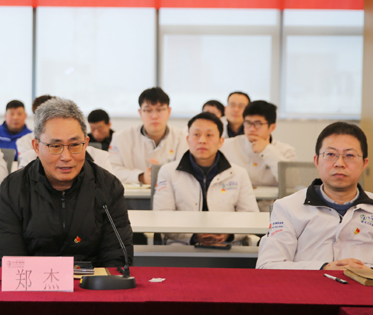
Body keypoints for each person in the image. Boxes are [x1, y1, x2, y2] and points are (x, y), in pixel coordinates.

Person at [257, 122, 373, 271]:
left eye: (350, 155)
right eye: (330, 154)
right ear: (316, 161)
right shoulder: (287, 207)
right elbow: (268, 265)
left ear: (364, 163)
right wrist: (323, 268)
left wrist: (370, 272)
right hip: (310, 290)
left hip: (370, 290)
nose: (339, 163)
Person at [0, 98, 133, 267]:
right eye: (55, 146)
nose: (66, 156)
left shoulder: (107, 186)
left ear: (86, 144)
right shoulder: (13, 189)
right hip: (32, 281)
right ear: (36, 147)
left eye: (75, 145)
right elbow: (9, 261)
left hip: (92, 281)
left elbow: (117, 259)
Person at [154, 112, 258, 245]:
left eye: (209, 135)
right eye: (196, 134)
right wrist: (192, 236)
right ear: (188, 140)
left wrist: (229, 234)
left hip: (227, 245)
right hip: (182, 245)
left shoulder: (238, 174)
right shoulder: (168, 172)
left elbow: (250, 216)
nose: (202, 140)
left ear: (221, 141)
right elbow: (162, 216)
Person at [109, 87, 186, 184]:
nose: (154, 116)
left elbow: (186, 171)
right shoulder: (121, 138)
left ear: (169, 111)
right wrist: (140, 177)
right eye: (148, 110)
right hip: (132, 193)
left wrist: (164, 174)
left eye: (159, 110)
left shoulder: (183, 138)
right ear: (140, 112)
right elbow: (111, 169)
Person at [221, 100, 296, 196]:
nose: (251, 128)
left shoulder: (286, 150)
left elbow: (291, 183)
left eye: (258, 124)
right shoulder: (227, 146)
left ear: (272, 127)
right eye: (248, 123)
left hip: (271, 203)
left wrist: (267, 150)